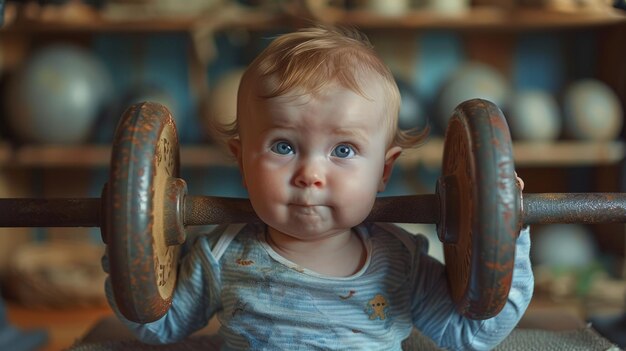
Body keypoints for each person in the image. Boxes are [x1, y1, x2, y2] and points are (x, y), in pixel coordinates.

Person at [105, 25, 533, 350]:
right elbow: (158, 323)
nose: (310, 173)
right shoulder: (221, 255)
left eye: (343, 150)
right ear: (241, 159)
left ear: (384, 172)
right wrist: (128, 250)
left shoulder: (400, 261)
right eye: (284, 146)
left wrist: (507, 229)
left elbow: (472, 333)